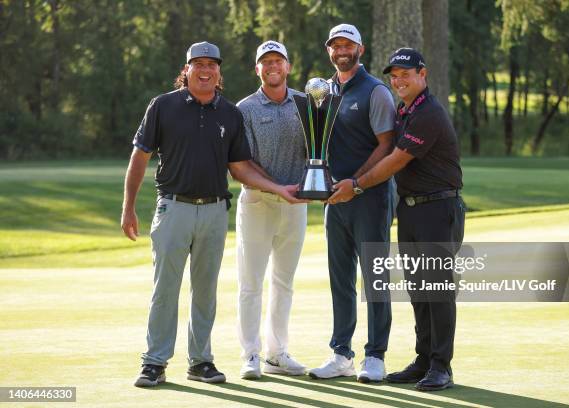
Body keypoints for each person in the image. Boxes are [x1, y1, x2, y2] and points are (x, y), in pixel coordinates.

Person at [121, 41, 303, 388]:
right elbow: (139, 158)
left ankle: (201, 361)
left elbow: (240, 169)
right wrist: (128, 207)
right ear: (186, 70)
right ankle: (154, 362)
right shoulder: (163, 106)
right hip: (174, 207)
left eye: (212, 64)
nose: (205, 70)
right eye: (198, 64)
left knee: (205, 291)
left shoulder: (229, 113)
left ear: (219, 72)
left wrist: (279, 189)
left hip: (215, 210)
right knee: (166, 289)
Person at [330, 47, 465, 391]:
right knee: (419, 289)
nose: (399, 80)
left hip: (438, 208)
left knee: (437, 289)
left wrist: (356, 184)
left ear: (423, 74)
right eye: (395, 75)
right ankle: (423, 360)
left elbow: (395, 160)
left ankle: (441, 365)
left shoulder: (428, 113)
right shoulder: (406, 110)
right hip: (411, 208)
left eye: (407, 74)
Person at [308, 24, 396, 383]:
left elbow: (386, 145)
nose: (341, 50)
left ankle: (375, 355)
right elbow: (317, 142)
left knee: (374, 276)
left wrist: (355, 184)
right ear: (330, 51)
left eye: (347, 44)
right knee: (340, 278)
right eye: (335, 45)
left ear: (360, 48)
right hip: (335, 198)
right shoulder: (322, 92)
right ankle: (341, 353)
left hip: (370, 197)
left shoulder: (375, 91)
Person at [235, 40, 308, 380]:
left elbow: (318, 151)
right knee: (251, 283)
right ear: (257, 69)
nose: (272, 66)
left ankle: (276, 354)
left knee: (284, 282)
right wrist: (279, 188)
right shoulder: (245, 108)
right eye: (266, 61)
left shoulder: (308, 104)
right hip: (258, 203)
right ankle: (250, 354)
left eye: (278, 60)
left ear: (288, 66)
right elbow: (243, 162)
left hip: (297, 206)